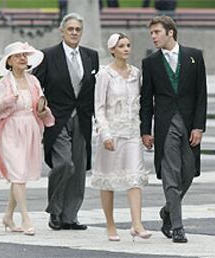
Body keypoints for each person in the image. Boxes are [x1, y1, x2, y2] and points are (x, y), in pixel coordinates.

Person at [140, 15, 207, 243]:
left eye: (157, 32)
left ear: (170, 32)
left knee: (188, 173)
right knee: (170, 174)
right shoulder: (150, 63)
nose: (153, 37)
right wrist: (145, 130)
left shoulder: (194, 57)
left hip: (189, 125)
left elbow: (201, 95)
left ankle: (167, 210)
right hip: (165, 126)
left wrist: (199, 126)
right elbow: (146, 99)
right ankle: (177, 226)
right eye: (151, 33)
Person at [33, 13, 99, 231]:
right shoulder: (48, 56)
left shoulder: (91, 56)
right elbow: (35, 85)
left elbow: (93, 90)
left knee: (78, 169)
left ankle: (70, 216)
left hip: (82, 118)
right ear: (62, 31)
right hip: (56, 119)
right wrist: (40, 106)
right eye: (70, 29)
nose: (74, 33)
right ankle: (55, 211)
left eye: (77, 29)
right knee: (64, 164)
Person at [0, 41, 55, 236]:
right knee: (17, 174)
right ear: (9, 61)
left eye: (25, 55)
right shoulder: (4, 83)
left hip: (30, 130)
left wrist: (43, 110)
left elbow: (40, 106)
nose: (23, 58)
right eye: (18, 56)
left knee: (20, 176)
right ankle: (25, 217)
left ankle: (8, 215)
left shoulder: (33, 81)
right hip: (10, 131)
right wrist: (7, 102)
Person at [91, 33, 152, 241]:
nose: (126, 49)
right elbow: (99, 108)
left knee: (134, 177)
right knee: (108, 180)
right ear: (112, 50)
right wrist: (105, 133)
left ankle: (137, 223)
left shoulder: (136, 74)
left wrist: (145, 130)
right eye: (121, 46)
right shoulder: (104, 74)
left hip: (132, 131)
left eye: (128, 45)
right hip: (112, 133)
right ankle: (110, 224)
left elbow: (142, 104)